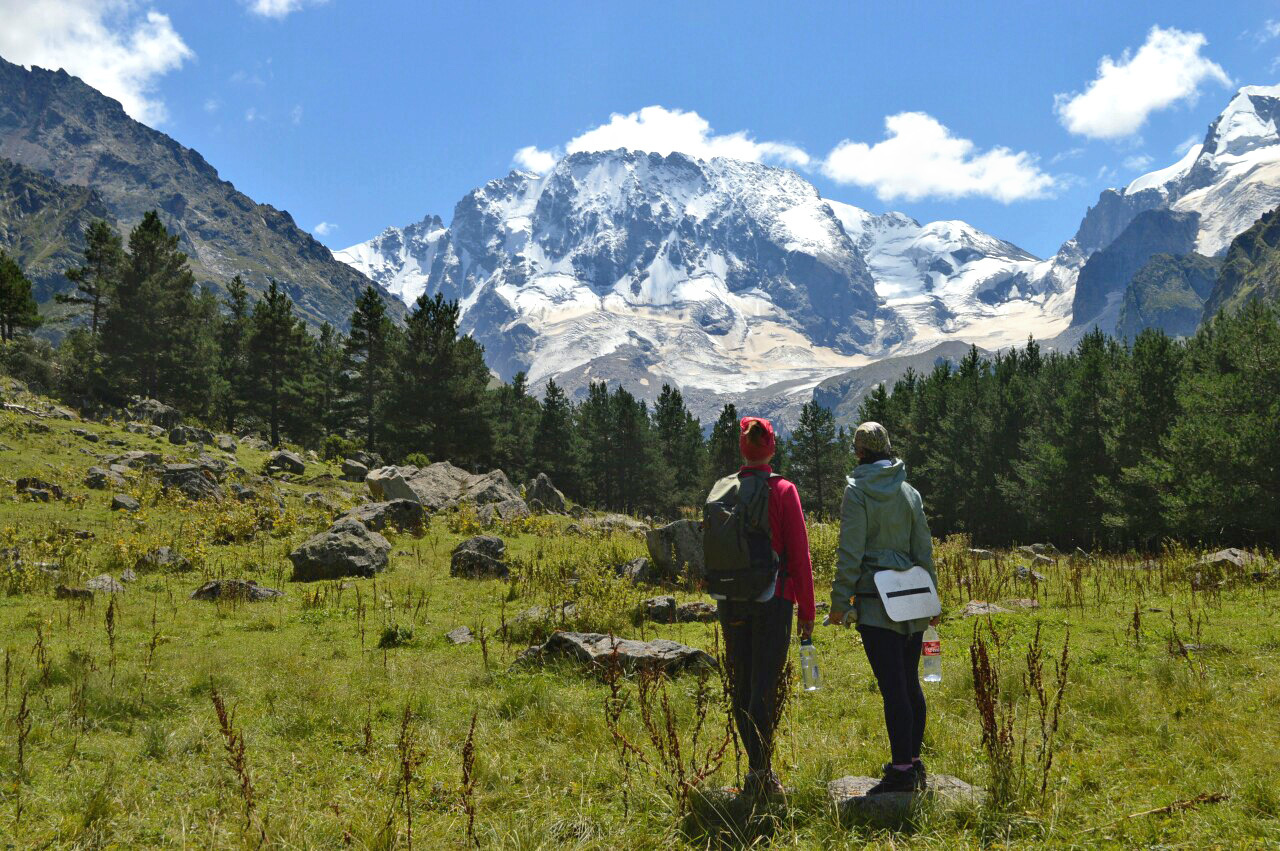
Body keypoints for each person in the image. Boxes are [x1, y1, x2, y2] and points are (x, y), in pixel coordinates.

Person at [826, 421, 939, 795]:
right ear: (888, 448)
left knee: (892, 687)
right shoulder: (909, 492)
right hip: (914, 599)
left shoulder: (857, 492)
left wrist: (840, 602)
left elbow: (851, 550)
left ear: (859, 452)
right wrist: (932, 597)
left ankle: (902, 770)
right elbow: (923, 549)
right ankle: (913, 762)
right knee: (908, 683)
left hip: (877, 603)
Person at [712, 416, 815, 799]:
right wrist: (807, 610)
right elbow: (800, 556)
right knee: (763, 686)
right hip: (774, 599)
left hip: (730, 598)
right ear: (771, 448)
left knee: (741, 684)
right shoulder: (784, 490)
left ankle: (755, 774)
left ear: (744, 449)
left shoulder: (724, 490)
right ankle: (761, 775)